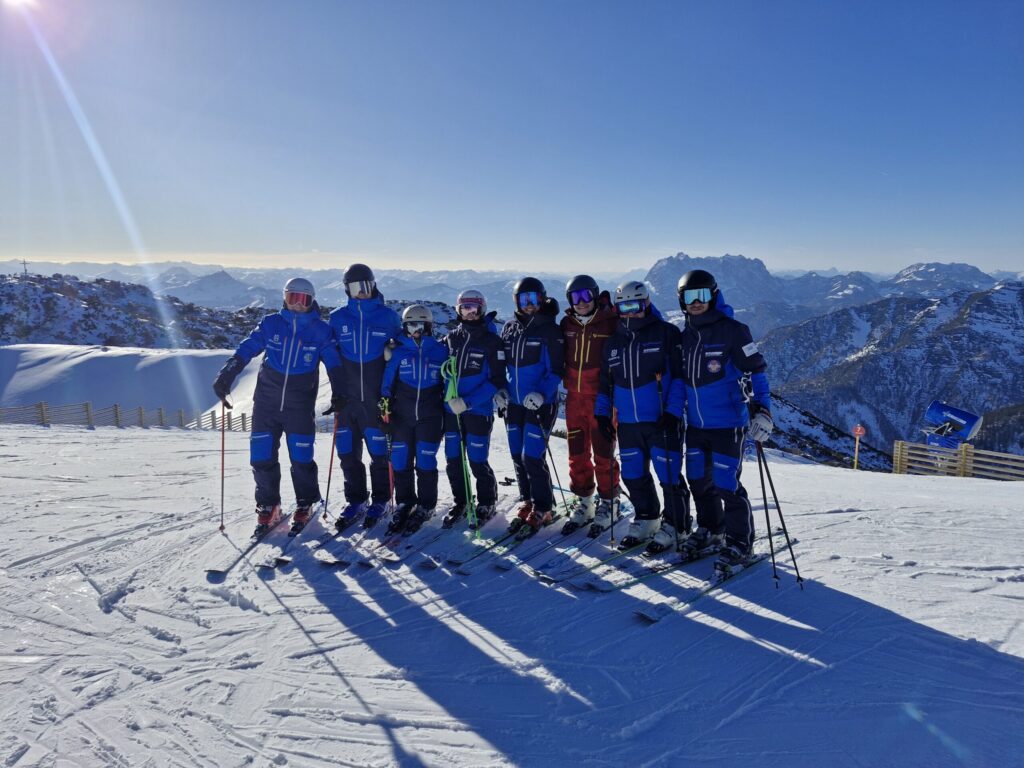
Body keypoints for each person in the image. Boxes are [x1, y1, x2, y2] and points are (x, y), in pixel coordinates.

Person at [212, 277, 345, 536]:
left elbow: (333, 361)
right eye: (292, 298)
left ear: (311, 300)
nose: (297, 304)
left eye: (303, 299)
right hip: (266, 404)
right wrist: (227, 373)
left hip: (299, 404)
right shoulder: (271, 323)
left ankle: (305, 502)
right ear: (284, 298)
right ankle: (268, 505)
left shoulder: (321, 330)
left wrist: (339, 391)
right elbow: (247, 348)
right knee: (261, 457)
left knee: (301, 458)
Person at [675, 269, 773, 570]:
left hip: (728, 424)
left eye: (702, 295)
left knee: (726, 485)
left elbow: (757, 372)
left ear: (713, 296)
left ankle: (740, 542)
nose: (696, 302)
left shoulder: (734, 330)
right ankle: (711, 529)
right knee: (698, 481)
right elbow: (680, 381)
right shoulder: (685, 336)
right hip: (696, 426)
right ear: (681, 301)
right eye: (689, 296)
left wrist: (764, 410)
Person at [594, 280, 690, 551]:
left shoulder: (666, 333)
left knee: (669, 475)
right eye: (624, 306)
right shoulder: (613, 343)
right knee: (633, 474)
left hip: (661, 420)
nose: (630, 311)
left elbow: (680, 379)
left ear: (646, 303)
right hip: (627, 423)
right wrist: (602, 415)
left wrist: (672, 413)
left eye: (635, 305)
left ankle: (676, 524)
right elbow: (605, 384)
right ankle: (647, 518)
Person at [327, 263, 402, 530]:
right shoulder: (337, 318)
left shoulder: (389, 317)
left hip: (374, 399)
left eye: (366, 286)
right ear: (347, 289)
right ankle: (356, 500)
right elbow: (327, 351)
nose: (362, 292)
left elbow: (403, 350)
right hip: (347, 399)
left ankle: (381, 498)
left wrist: (394, 350)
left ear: (374, 285)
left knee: (379, 452)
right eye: (356, 287)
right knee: (347, 452)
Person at [497, 277, 565, 537]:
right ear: (516, 301)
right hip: (514, 402)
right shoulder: (509, 328)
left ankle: (545, 507)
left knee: (532, 457)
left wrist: (542, 393)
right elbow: (502, 365)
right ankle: (528, 499)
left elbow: (557, 369)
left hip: (540, 404)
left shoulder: (550, 329)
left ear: (543, 299)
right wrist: (501, 389)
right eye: (523, 300)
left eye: (534, 299)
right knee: (516, 454)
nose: (529, 305)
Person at [559, 275, 621, 535]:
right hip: (574, 398)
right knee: (577, 452)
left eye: (586, 296)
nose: (581, 302)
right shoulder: (566, 323)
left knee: (603, 452)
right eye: (575, 297)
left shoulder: (611, 322)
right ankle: (584, 502)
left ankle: (610, 503)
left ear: (595, 296)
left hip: (602, 398)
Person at [439, 289, 506, 530]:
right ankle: (462, 501)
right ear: (458, 310)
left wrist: (468, 402)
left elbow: (497, 381)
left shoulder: (491, 342)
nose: (469, 313)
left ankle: (487, 501)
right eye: (464, 308)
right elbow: (427, 353)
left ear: (482, 310)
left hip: (477, 411)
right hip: (452, 412)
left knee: (477, 460)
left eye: (474, 308)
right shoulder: (451, 338)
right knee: (453, 459)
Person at [379, 304, 448, 535]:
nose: (415, 331)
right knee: (400, 461)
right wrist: (384, 407)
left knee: (426, 463)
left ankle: (426, 505)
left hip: (430, 417)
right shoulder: (398, 352)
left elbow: (449, 383)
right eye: (410, 326)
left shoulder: (440, 351)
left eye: (419, 325)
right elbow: (387, 384)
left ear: (428, 326)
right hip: (402, 417)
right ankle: (405, 502)